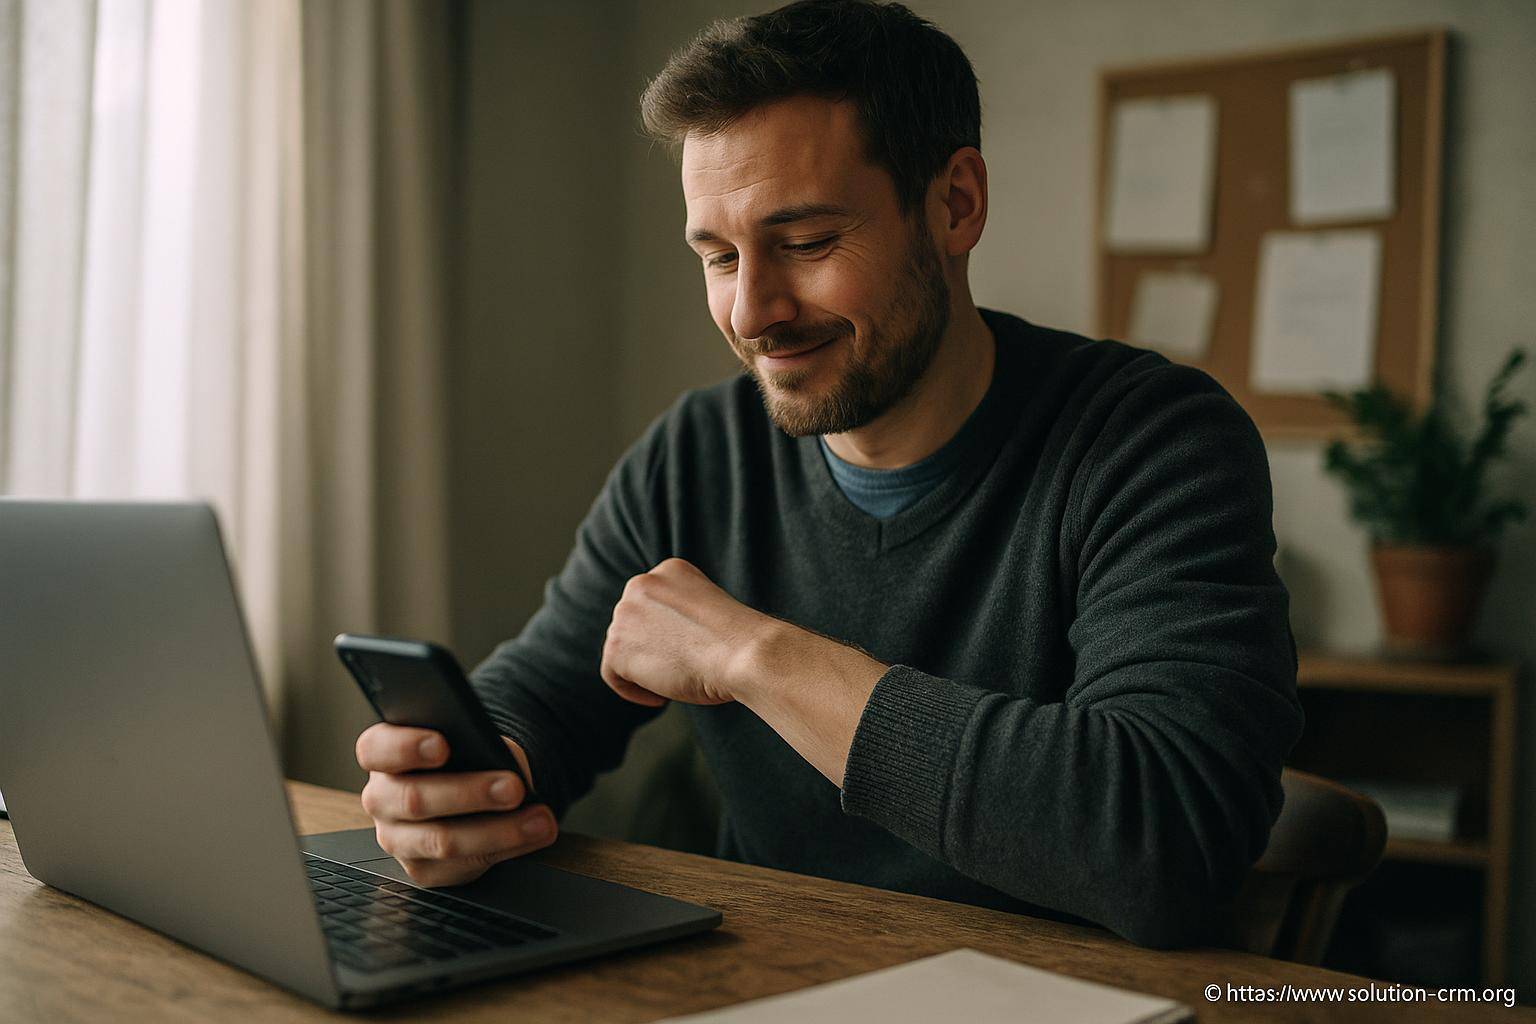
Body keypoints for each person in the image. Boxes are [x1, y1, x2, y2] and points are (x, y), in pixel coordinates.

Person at [354, 0, 1302, 948]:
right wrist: (457, 783)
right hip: (760, 979)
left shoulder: (1152, 443)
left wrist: (755, 659)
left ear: (956, 204)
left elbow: (1171, 839)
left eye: (805, 244)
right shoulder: (698, 456)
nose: (751, 311)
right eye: (718, 257)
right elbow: (543, 694)